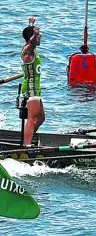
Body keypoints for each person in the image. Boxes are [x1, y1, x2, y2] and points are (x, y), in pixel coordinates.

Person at [20, 17, 45, 146]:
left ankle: (28, 138)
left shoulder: (31, 50)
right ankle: (26, 146)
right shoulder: (27, 52)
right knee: (32, 119)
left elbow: (30, 41)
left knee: (41, 118)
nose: (39, 38)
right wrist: (34, 33)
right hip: (30, 89)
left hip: (36, 89)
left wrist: (31, 26)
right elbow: (31, 43)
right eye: (37, 36)